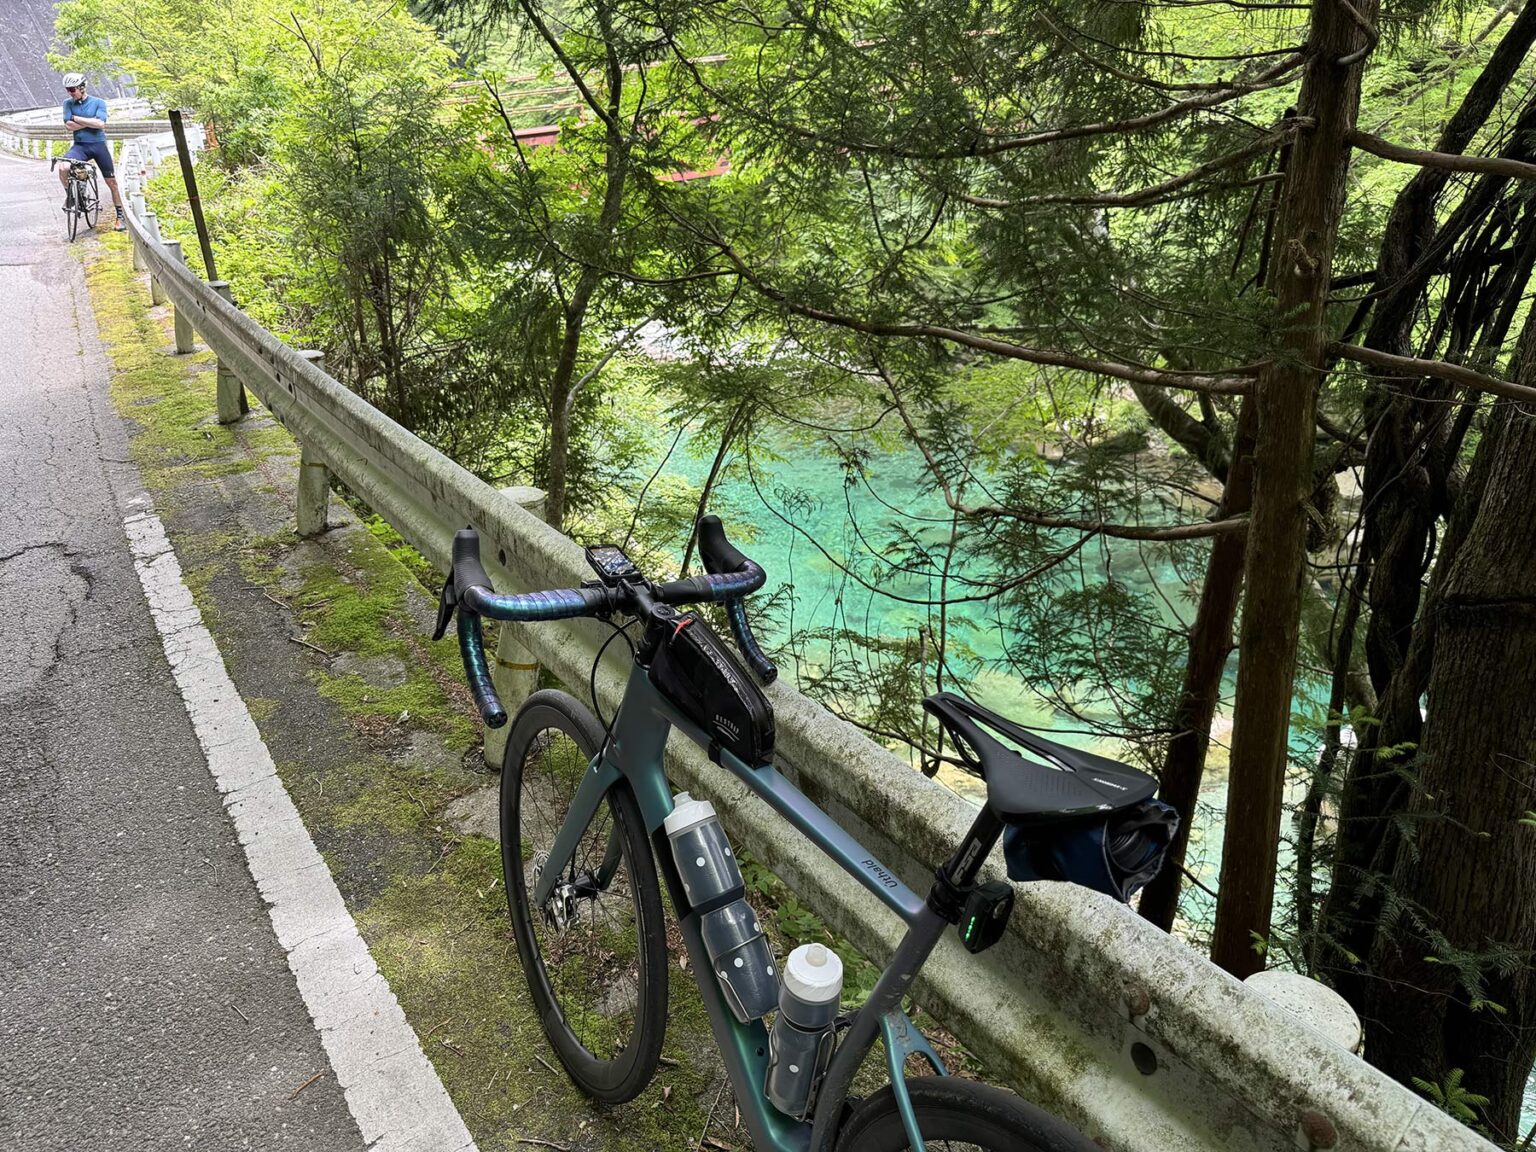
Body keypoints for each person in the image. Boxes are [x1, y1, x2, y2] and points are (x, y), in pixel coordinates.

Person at [58, 72, 125, 232]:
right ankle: (71, 196)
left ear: (82, 87)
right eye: (68, 89)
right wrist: (89, 122)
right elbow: (68, 126)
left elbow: (100, 124)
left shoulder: (98, 102)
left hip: (98, 145)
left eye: (73, 89)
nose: (70, 92)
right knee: (63, 168)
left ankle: (120, 216)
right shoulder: (68, 103)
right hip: (80, 146)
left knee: (112, 183)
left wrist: (76, 118)